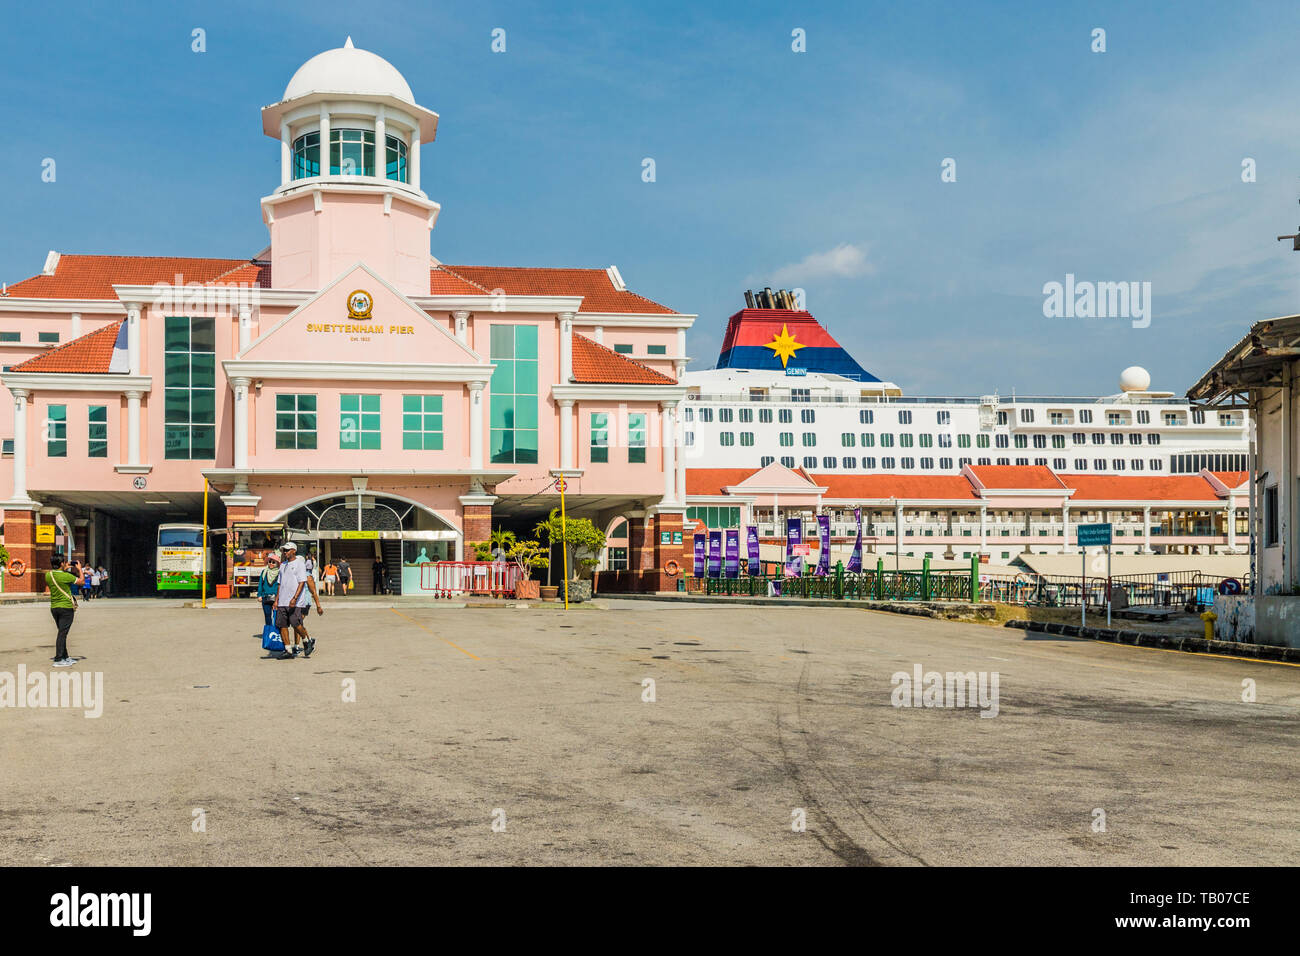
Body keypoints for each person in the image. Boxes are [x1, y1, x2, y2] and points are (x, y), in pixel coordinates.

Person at [272, 542, 323, 659]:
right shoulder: (283, 565)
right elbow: (279, 584)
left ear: (294, 551)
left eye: (287, 550)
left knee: (296, 624)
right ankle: (288, 650)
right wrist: (276, 600)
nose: (285, 552)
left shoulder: (299, 564)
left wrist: (294, 598)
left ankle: (306, 641)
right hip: (282, 601)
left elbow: (301, 582)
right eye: (284, 550)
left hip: (294, 601)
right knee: (282, 625)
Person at [46, 556, 84, 667]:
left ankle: (65, 657)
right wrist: (79, 569)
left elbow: (58, 575)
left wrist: (63, 567)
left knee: (62, 633)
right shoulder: (66, 576)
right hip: (66, 608)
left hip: (54, 607)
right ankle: (58, 659)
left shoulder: (48, 575)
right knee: (62, 634)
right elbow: (81, 582)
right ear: (62, 563)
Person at [257, 555, 281, 630]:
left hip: (276, 599)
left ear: (277, 564)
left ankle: (277, 632)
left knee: (277, 617)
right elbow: (260, 584)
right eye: (269, 562)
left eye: (273, 562)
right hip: (265, 597)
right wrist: (259, 595)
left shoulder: (280, 573)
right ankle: (269, 631)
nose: (271, 563)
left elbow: (282, 586)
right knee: (267, 616)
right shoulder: (264, 572)